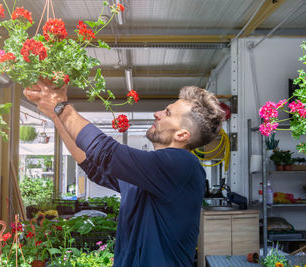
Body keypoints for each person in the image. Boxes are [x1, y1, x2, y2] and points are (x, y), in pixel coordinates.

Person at [24, 79, 225, 267]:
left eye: (168, 113)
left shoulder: (184, 165)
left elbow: (106, 153)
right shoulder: (149, 174)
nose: (157, 113)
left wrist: (61, 107)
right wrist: (56, 115)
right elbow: (92, 163)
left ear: (182, 135)